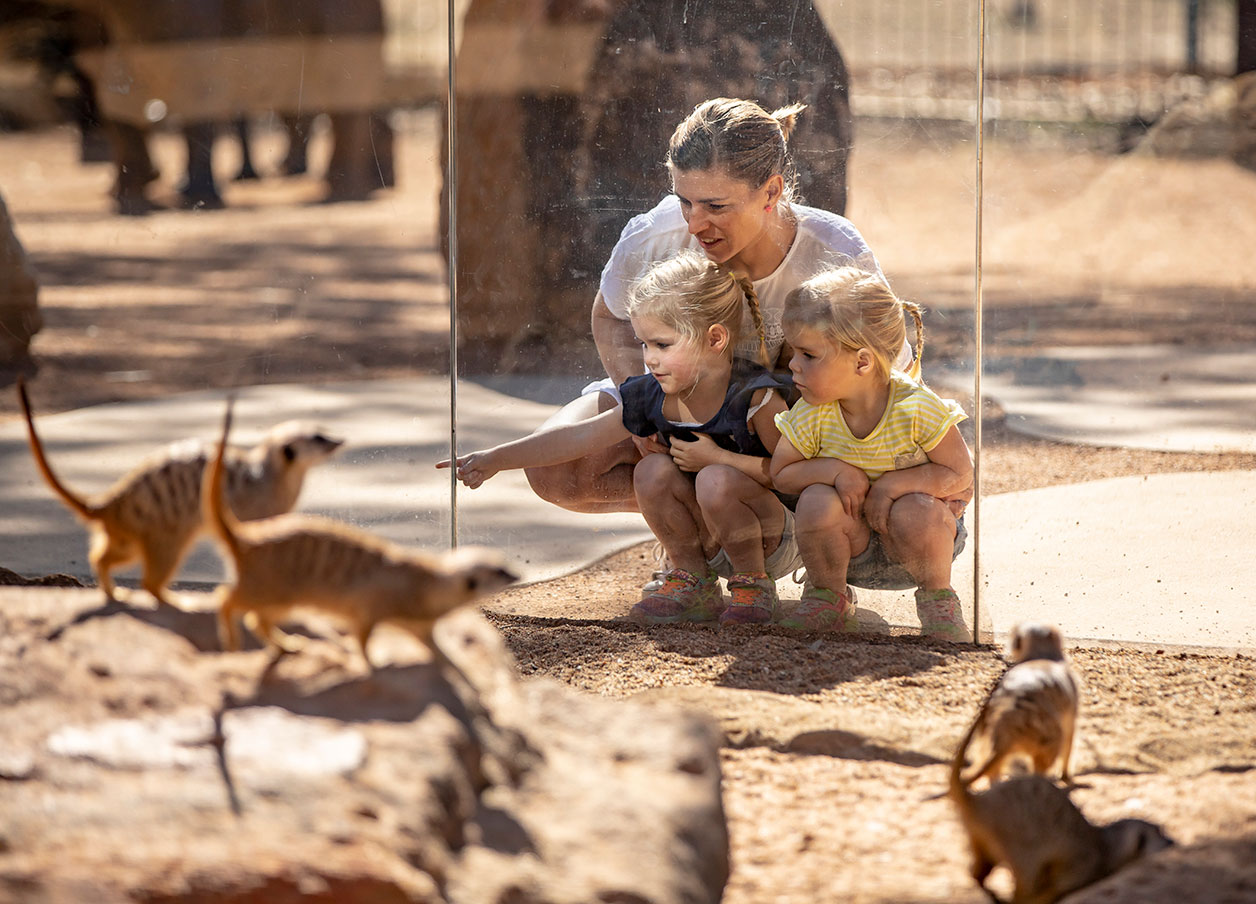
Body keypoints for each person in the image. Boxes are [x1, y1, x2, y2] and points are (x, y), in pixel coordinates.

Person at [523, 97, 907, 519]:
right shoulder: (656, 234)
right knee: (554, 469)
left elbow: (889, 373)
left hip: (792, 423)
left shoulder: (835, 251)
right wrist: (648, 408)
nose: (693, 224)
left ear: (771, 192)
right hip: (684, 399)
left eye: (715, 206)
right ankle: (698, 536)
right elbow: (609, 315)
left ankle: (787, 530)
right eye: (684, 201)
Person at [438, 251, 802, 626]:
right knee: (652, 471)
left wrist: (719, 460)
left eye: (662, 345)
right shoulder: (652, 395)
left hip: (772, 539)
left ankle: (754, 586)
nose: (649, 359)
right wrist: (495, 459)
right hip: (710, 533)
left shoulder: (757, 399)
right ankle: (693, 580)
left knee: (714, 479)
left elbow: (791, 476)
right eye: (643, 344)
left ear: (714, 339)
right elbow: (578, 438)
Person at [769, 267, 973, 641]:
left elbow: (961, 475)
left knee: (917, 509)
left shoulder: (915, 406)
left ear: (862, 362)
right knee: (816, 499)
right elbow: (781, 474)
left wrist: (891, 486)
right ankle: (828, 599)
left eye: (808, 354)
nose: (793, 364)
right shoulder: (813, 411)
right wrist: (834, 471)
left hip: (917, 546)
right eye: (793, 352)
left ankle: (938, 600)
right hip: (849, 548)